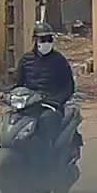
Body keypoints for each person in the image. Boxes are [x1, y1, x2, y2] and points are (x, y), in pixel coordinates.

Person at [15, 22, 76, 162]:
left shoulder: (59, 61)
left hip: (51, 106)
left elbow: (69, 86)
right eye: (43, 39)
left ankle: (47, 160)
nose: (46, 43)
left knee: (45, 123)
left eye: (49, 39)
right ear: (35, 40)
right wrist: (6, 95)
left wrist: (57, 101)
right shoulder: (26, 60)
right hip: (30, 105)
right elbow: (18, 84)